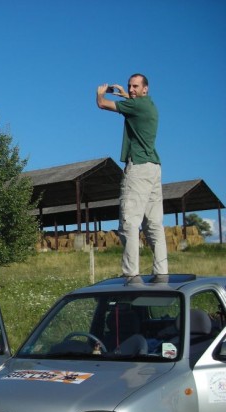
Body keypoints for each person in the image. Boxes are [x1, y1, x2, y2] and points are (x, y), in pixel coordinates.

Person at [97, 73, 168, 279]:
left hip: (137, 167)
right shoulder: (149, 105)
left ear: (145, 88)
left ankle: (130, 275)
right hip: (153, 168)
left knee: (129, 222)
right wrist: (125, 95)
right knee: (154, 225)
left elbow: (102, 104)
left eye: (135, 86)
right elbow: (133, 103)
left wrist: (100, 94)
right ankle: (162, 274)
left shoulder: (136, 106)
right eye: (130, 86)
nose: (132, 89)